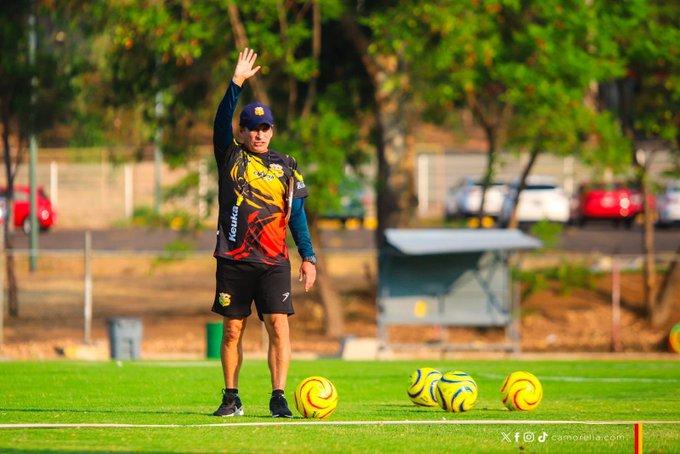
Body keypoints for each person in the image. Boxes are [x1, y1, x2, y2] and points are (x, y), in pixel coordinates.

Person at [211, 48, 317, 418]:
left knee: (278, 327)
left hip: (274, 261)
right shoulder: (230, 156)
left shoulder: (287, 165)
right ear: (242, 132)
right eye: (251, 127)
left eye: (264, 127)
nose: (258, 133)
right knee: (232, 331)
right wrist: (236, 83)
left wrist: (309, 256)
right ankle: (231, 397)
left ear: (272, 130)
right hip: (234, 258)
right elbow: (221, 119)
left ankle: (278, 397)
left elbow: (298, 215)